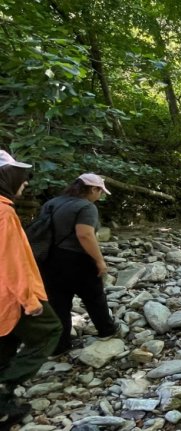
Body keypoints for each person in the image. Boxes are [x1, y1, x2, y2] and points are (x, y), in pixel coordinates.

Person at [0, 150, 62, 427]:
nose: (25, 181)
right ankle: (4, 389)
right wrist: (30, 300)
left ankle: (4, 408)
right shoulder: (4, 212)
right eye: (20, 176)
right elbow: (11, 261)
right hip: (11, 294)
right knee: (50, 330)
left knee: (5, 344)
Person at [40, 173, 117, 356]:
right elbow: (85, 234)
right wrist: (100, 261)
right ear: (93, 189)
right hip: (77, 259)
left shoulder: (53, 202)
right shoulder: (86, 207)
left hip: (49, 257)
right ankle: (106, 329)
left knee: (58, 302)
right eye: (100, 191)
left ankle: (60, 344)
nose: (100, 196)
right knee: (94, 296)